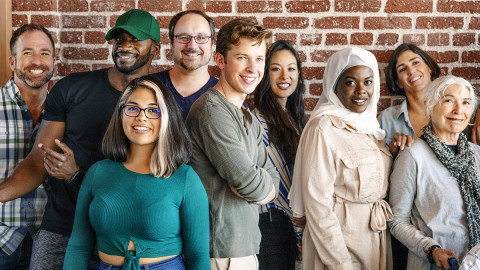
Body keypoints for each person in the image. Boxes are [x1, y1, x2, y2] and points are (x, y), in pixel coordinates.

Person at [0, 9, 160, 270]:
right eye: (119, 39)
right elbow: (39, 162)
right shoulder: (72, 88)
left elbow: (151, 180)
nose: (125, 46)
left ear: (155, 49)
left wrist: (76, 174)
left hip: (125, 234)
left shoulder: (158, 101)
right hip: (64, 226)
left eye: (136, 40)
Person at [63, 76, 210, 270]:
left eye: (153, 110)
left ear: (166, 116)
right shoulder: (97, 173)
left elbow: (198, 255)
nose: (141, 117)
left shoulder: (185, 178)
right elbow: (78, 247)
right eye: (132, 108)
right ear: (121, 114)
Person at [186, 18, 279, 270]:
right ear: (220, 61)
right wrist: (258, 186)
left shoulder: (248, 116)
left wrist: (262, 187)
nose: (252, 68)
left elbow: (271, 180)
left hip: (244, 248)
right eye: (242, 58)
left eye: (259, 59)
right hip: (219, 251)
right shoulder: (212, 111)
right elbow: (250, 184)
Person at [289, 47, 393, 270]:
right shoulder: (323, 127)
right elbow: (317, 204)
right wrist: (340, 263)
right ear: (334, 85)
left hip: (374, 238)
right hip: (338, 243)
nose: (361, 91)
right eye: (350, 82)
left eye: (368, 81)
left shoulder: (371, 128)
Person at [389, 75, 480, 270]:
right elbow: (397, 221)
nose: (458, 110)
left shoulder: (477, 154)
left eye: (465, 103)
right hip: (434, 265)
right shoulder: (413, 155)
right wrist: (432, 250)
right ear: (429, 105)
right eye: (448, 100)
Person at [0, 23, 54, 269]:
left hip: (50, 240)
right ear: (12, 62)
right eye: (27, 52)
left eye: (44, 53)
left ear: (54, 60)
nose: (37, 61)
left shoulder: (65, 112)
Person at [252, 40, 306, 270]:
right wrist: (300, 227)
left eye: (291, 68)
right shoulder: (258, 121)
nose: (285, 75)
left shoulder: (294, 120)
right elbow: (279, 187)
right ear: (264, 74)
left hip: (287, 226)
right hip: (272, 226)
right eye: (276, 68)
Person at [151, 10, 217, 120]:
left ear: (212, 44)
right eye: (184, 37)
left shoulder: (226, 95)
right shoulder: (149, 87)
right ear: (171, 43)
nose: (192, 46)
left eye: (201, 38)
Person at [378, 43, 441, 154]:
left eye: (416, 62)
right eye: (402, 69)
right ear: (398, 83)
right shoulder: (387, 119)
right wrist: (393, 153)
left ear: (429, 68)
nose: (411, 71)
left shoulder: (453, 110)